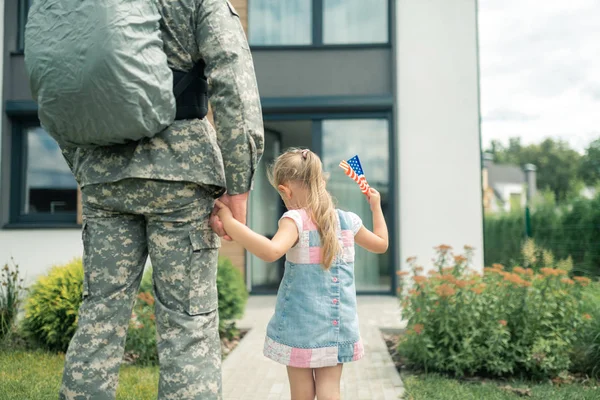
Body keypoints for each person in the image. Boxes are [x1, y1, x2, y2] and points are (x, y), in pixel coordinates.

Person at [59, 1, 263, 399]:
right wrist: (239, 185)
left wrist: (85, 165)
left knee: (99, 317)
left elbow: (58, 85)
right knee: (188, 324)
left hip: (106, 176)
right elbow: (233, 82)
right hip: (181, 176)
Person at [214, 148, 389, 400]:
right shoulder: (348, 221)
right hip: (337, 326)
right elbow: (382, 244)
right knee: (330, 391)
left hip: (300, 327)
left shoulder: (295, 219)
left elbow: (271, 251)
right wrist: (375, 207)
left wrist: (230, 222)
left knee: (302, 395)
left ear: (285, 191)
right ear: (321, 181)